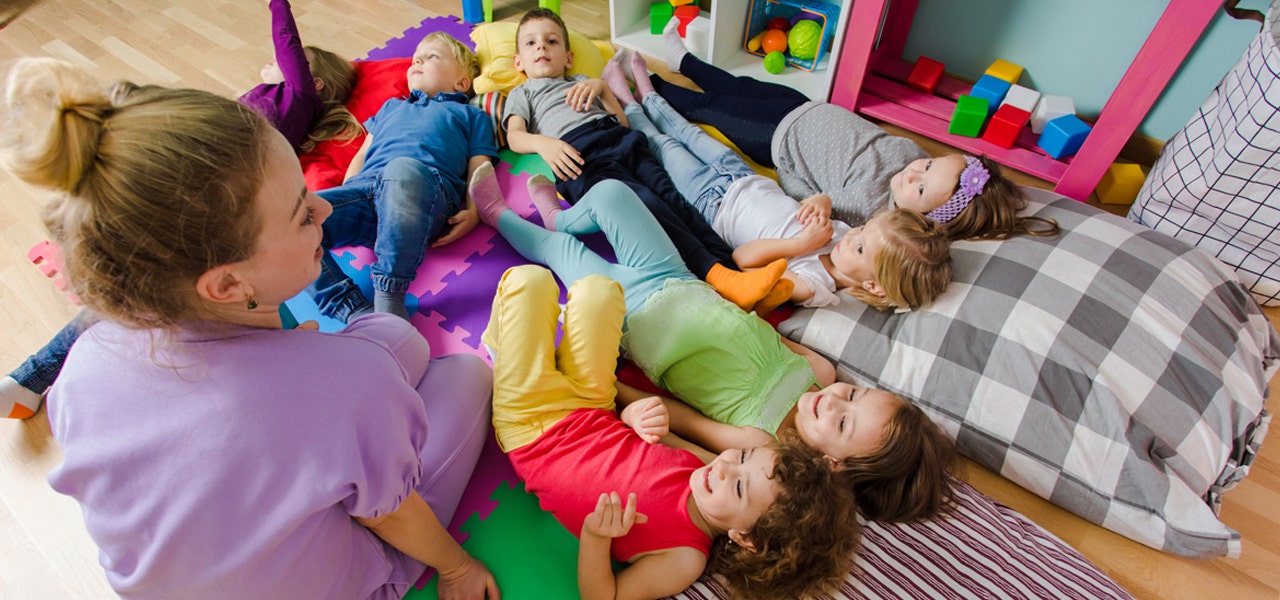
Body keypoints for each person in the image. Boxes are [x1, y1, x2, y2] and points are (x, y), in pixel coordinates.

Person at [0, 58, 499, 600]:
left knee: (391, 344)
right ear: (226, 285)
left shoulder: (83, 364)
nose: (322, 210)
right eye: (300, 214)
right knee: (466, 370)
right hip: (350, 577)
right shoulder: (346, 383)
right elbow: (392, 514)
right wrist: (457, 569)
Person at [468, 162, 958, 524]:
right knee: (614, 192)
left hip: (635, 321)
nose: (835, 399)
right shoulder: (822, 374)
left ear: (834, 463)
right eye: (855, 395)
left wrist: (624, 399)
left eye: (844, 420)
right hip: (677, 280)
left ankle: (496, 214)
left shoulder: (760, 442)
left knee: (561, 255)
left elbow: (681, 420)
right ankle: (559, 215)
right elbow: (755, 324)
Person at [0, 0, 362, 420]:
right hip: (207, 179)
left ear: (314, 80)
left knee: (151, 280)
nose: (277, 61)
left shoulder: (299, 94)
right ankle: (31, 376)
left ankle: (31, 376)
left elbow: (288, 44)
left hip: (225, 177)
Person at [483, 263, 859, 600]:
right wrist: (635, 415)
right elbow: (651, 434)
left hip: (533, 430)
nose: (727, 467)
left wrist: (597, 539)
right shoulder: (705, 468)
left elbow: (604, 597)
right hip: (593, 405)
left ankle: (501, 349)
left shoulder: (684, 558)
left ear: (747, 540)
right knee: (602, 292)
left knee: (528, 281)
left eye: (741, 487)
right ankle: (537, 353)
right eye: (743, 458)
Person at [601, 53, 953, 312]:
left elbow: (743, 258)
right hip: (743, 177)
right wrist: (822, 202)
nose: (853, 237)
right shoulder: (847, 238)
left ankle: (630, 103)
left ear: (873, 285)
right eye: (862, 232)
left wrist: (802, 245)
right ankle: (648, 91)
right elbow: (812, 204)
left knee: (663, 146)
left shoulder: (814, 286)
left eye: (861, 247)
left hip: (712, 203)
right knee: (685, 131)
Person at [650, 19, 1059, 241]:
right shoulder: (913, 163)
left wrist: (782, 162)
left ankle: (648, 90)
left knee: (709, 106)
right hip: (802, 107)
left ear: (927, 219)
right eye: (931, 165)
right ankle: (683, 61)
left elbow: (807, 198)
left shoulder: (871, 208)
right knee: (736, 85)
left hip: (774, 138)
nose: (916, 171)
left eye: (920, 188)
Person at [502, 8, 791, 314]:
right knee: (646, 206)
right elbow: (514, 137)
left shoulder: (583, 80)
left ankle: (736, 273)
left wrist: (601, 87)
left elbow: (623, 121)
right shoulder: (523, 93)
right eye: (531, 43)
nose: (542, 47)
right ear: (518, 62)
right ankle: (718, 278)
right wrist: (545, 145)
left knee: (674, 201)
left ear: (569, 57)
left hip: (621, 141)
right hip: (581, 157)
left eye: (551, 41)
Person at [311, 32, 498, 321]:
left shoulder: (471, 116)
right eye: (415, 59)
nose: (418, 61)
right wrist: (347, 193)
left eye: (431, 57)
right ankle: (352, 309)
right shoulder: (391, 107)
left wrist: (474, 211)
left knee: (403, 169)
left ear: (461, 82)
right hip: (367, 192)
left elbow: (480, 166)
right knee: (297, 216)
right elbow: (362, 153)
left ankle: (389, 293)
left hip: (424, 196)